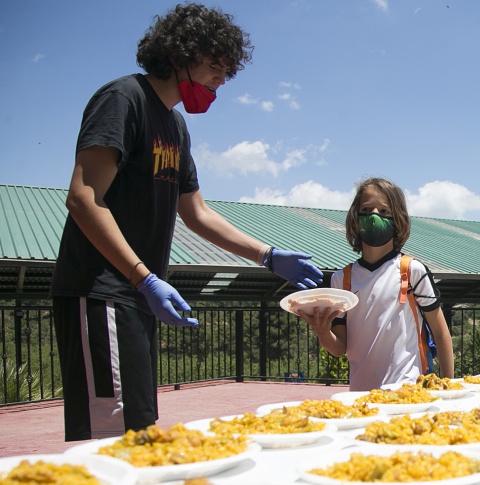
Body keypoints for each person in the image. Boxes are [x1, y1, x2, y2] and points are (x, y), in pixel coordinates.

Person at [49, 4, 324, 442]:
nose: (220, 79)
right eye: (214, 66)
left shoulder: (176, 127)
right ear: (179, 54)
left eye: (227, 71)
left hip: (135, 296)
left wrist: (266, 255)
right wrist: (144, 279)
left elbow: (196, 212)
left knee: (138, 432)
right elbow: (83, 198)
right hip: (100, 290)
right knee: (109, 437)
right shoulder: (123, 99)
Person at [297, 177, 454, 391]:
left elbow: (440, 332)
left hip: (408, 389)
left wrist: (449, 385)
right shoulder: (341, 279)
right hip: (361, 393)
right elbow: (339, 347)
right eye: (367, 209)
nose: (374, 216)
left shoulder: (412, 270)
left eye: (384, 211)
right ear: (355, 217)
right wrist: (323, 331)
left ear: (398, 219)